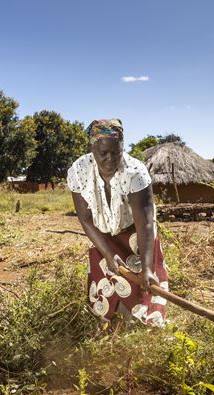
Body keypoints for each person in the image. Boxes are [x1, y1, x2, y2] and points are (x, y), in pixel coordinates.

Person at [67, 118, 168, 328]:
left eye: (116, 152)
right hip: (102, 235)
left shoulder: (135, 172)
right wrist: (107, 253)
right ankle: (109, 327)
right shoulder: (79, 171)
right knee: (107, 290)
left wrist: (148, 269)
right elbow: (85, 218)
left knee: (143, 291)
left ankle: (144, 328)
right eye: (103, 153)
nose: (110, 159)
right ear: (92, 149)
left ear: (123, 146)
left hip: (136, 235)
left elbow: (146, 225)